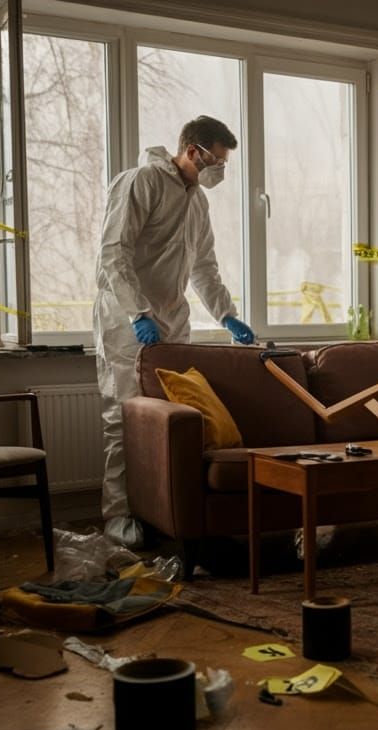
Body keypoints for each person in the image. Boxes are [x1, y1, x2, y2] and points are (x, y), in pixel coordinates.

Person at [94, 116, 255, 547]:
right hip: (126, 323)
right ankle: (118, 515)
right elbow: (114, 254)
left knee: (172, 420)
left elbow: (203, 268)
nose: (219, 170)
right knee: (124, 416)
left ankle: (161, 509)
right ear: (193, 152)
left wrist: (227, 315)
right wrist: (136, 312)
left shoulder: (196, 201)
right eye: (217, 161)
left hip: (171, 320)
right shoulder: (141, 183)